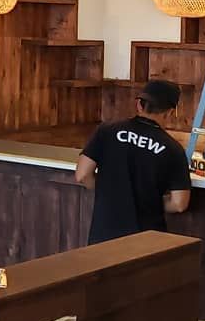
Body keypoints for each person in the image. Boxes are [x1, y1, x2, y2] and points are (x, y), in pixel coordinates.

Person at [74, 80, 191, 245]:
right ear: (170, 113)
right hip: (146, 240)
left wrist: (112, 193)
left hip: (103, 235)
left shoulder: (106, 131)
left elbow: (82, 175)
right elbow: (179, 203)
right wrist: (145, 200)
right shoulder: (173, 149)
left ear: (139, 105)